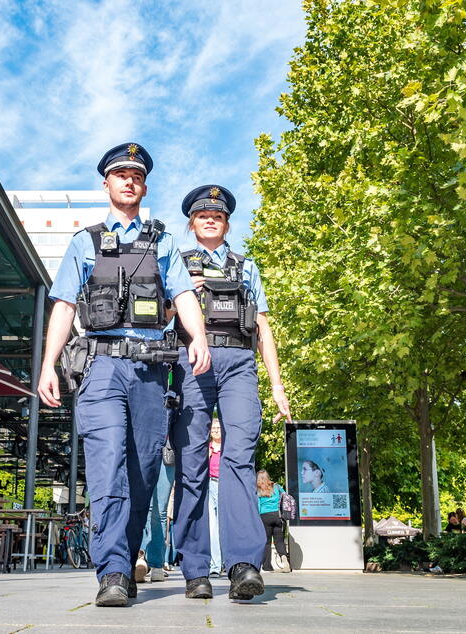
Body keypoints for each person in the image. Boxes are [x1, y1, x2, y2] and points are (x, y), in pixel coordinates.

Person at [37, 142, 210, 608]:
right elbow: (64, 305)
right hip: (101, 367)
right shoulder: (84, 242)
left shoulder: (164, 241)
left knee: (143, 470)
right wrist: (47, 364)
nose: (128, 180)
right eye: (120, 174)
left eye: (136, 175)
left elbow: (185, 296)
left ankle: (126, 557)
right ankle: (112, 570)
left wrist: (198, 336)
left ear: (144, 186)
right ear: (107, 184)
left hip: (152, 369)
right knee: (107, 461)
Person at [170, 184, 291, 602]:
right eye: (203, 215)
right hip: (192, 363)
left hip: (239, 364)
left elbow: (264, 327)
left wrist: (276, 384)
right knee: (191, 464)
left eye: (218, 215)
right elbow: (161, 316)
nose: (210, 219)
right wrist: (185, 295)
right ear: (192, 222)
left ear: (226, 223)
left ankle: (243, 565)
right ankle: (195, 569)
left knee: (240, 457)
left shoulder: (247, 266)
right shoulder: (177, 262)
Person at [135, 434, 176, 584]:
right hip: (145, 448)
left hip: (167, 451)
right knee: (147, 507)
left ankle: (156, 563)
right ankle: (142, 555)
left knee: (160, 511)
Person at [256, 470, 290, 573]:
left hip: (264, 516)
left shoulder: (257, 489)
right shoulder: (276, 486)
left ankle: (267, 566)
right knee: (279, 541)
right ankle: (285, 562)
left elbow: (257, 505)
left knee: (266, 542)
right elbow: (285, 496)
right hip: (277, 516)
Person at [208, 418, 223, 577]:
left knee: (223, 526)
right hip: (210, 485)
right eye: (213, 428)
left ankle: (226, 562)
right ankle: (215, 565)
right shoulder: (208, 448)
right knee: (212, 527)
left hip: (224, 486)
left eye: (218, 427)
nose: (216, 430)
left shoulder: (227, 447)